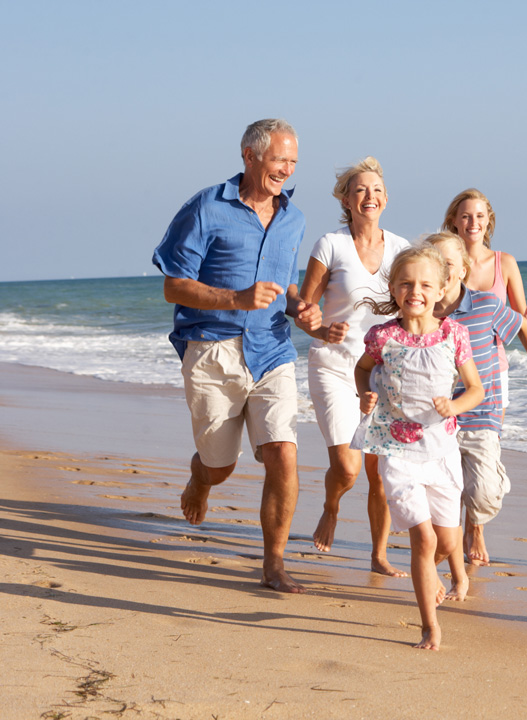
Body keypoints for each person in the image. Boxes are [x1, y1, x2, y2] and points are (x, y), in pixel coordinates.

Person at [152, 118, 320, 594]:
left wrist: (304, 311)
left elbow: (284, 284)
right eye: (278, 159)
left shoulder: (294, 218)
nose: (285, 170)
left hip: (273, 348)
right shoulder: (205, 207)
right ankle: (201, 478)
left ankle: (273, 563)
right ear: (249, 156)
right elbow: (173, 286)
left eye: (292, 161)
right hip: (213, 349)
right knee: (221, 466)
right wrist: (235, 299)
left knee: (283, 454)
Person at [353, 244, 486, 650]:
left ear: (442, 287)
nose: (416, 291)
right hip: (397, 451)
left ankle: (454, 572)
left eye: (426, 284)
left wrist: (455, 404)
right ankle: (430, 626)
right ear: (392, 288)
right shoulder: (382, 336)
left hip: (441, 450)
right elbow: (362, 371)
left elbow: (476, 389)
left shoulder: (453, 334)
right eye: (406, 283)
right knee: (423, 541)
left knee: (447, 543)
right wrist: (365, 396)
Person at [302, 157, 411, 577]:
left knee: (379, 471)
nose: (370, 196)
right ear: (346, 200)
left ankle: (378, 554)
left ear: (386, 199)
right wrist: (319, 331)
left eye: (377, 190)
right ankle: (331, 505)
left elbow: (422, 299)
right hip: (333, 364)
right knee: (347, 469)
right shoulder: (330, 244)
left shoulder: (401, 249)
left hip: (382, 372)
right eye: (361, 190)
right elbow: (305, 310)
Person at [441, 189, 527, 563]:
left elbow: (522, 317)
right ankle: (452, 529)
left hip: (492, 372)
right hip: (447, 375)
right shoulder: (443, 261)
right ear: (454, 221)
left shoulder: (503, 262)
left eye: (479, 216)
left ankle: (475, 528)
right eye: (465, 216)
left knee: (482, 446)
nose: (473, 222)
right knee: (450, 451)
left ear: (488, 221)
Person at [423, 233, 524, 581]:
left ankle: (481, 509)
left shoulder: (485, 304)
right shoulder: (424, 311)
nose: (442, 270)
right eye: (435, 263)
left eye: (448, 263)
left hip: (484, 409)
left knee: (483, 493)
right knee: (447, 487)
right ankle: (450, 547)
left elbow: (522, 326)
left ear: (464, 269)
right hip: (440, 418)